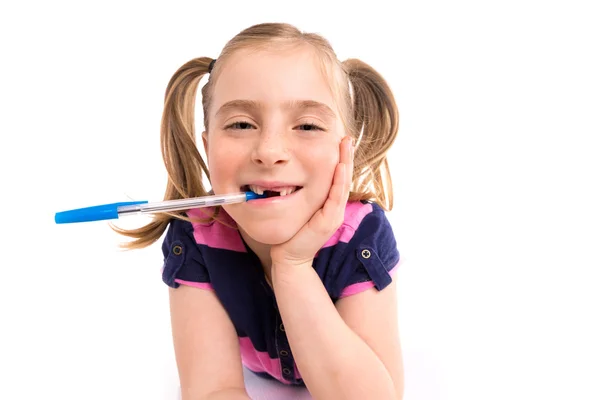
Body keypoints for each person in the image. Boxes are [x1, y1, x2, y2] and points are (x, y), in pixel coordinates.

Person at [114, 22, 404, 400]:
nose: (269, 151)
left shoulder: (361, 237)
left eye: (307, 125)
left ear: (343, 149)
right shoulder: (197, 238)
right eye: (240, 124)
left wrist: (293, 267)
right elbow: (212, 390)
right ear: (208, 145)